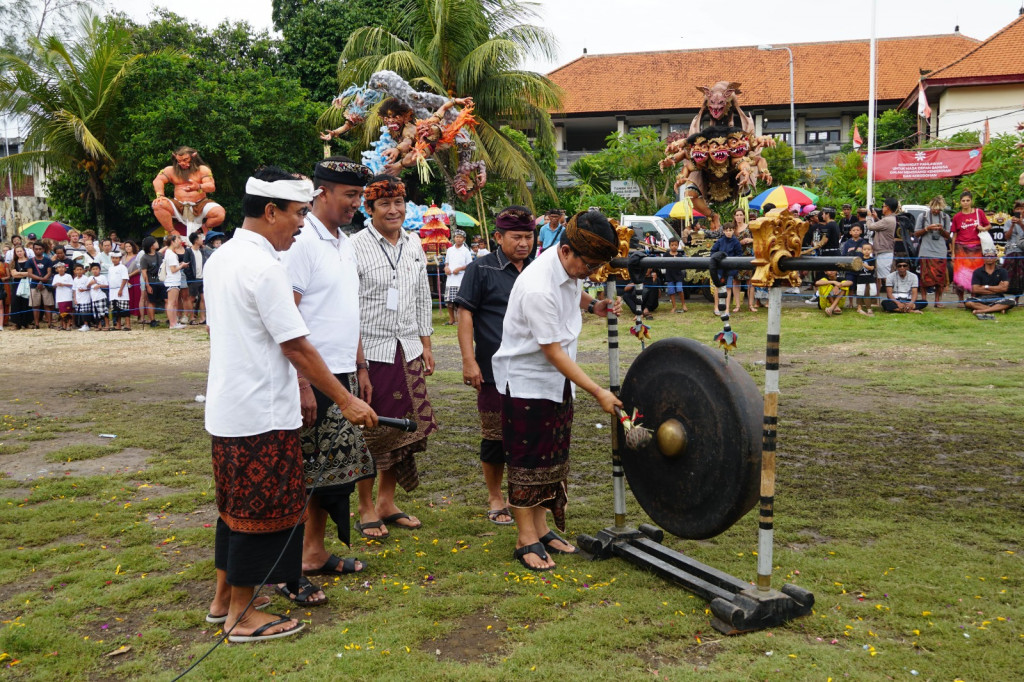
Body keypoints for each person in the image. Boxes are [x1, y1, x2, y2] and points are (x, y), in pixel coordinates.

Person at [203, 166, 376, 643]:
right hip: (261, 410)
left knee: (234, 511)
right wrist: (346, 400)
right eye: (298, 213)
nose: (302, 224)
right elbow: (297, 347)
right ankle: (243, 614)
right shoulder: (264, 267)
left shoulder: (220, 258)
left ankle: (223, 601)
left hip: (229, 408)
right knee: (265, 512)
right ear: (270, 210)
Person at [492, 210, 622, 571]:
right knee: (527, 461)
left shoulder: (564, 265)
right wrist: (598, 391)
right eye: (589, 264)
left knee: (551, 459)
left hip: (557, 383)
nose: (592, 273)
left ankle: (542, 527)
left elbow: (575, 289)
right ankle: (525, 537)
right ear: (566, 251)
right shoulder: (538, 286)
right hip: (527, 382)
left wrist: (595, 305)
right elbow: (551, 351)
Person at [277, 157, 377, 605]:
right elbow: (288, 316)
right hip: (309, 374)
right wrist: (300, 382)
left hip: (342, 371)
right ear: (322, 193)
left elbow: (347, 308)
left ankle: (315, 553)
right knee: (301, 473)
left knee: (328, 473)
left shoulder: (346, 241)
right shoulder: (302, 243)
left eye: (359, 196)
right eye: (349, 196)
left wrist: (360, 366)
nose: (357, 204)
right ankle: (291, 563)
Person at [350, 174, 438, 538]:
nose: (394, 210)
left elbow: (421, 296)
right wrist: (358, 362)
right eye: (384, 204)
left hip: (409, 350)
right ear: (367, 209)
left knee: (404, 430)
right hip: (373, 352)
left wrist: (426, 344)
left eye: (399, 202)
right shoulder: (353, 247)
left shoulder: (415, 242)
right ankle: (366, 506)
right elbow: (347, 308)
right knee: (373, 431)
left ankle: (387, 501)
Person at [456, 205, 536, 527]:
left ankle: (525, 493)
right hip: (491, 370)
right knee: (494, 436)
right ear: (498, 236)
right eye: (516, 237)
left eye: (529, 237)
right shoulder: (481, 268)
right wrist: (468, 360)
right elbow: (465, 314)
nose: (523, 243)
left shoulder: (538, 268)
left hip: (532, 366)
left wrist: (595, 305)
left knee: (528, 434)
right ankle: (495, 497)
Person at [152, 146, 226, 235]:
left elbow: (211, 187)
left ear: (193, 157)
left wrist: (198, 186)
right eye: (179, 161)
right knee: (158, 204)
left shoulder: (203, 169)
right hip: (178, 205)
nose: (182, 163)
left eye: (185, 160)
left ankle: (205, 227)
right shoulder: (170, 170)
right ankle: (172, 231)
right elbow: (158, 180)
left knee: (220, 213)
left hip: (200, 204)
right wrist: (160, 195)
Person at [950, 190, 990, 305]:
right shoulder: (957, 217)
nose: (966, 203)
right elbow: (954, 236)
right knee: (960, 275)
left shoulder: (979, 212)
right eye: (963, 201)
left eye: (968, 200)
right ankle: (961, 298)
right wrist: (953, 252)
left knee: (975, 273)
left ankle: (973, 297)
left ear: (971, 201)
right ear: (960, 202)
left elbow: (989, 225)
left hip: (977, 247)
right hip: (961, 248)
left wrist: (983, 228)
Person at [913, 196, 951, 308]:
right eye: (934, 208)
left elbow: (948, 235)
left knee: (940, 278)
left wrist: (941, 229)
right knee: (925, 277)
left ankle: (937, 300)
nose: (936, 211)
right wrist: (927, 228)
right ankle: (924, 300)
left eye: (938, 209)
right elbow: (916, 233)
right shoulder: (923, 216)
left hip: (940, 250)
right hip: (926, 250)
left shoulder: (945, 217)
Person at [965, 248, 1016, 319]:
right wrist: (998, 288)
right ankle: (998, 309)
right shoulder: (977, 272)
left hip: (998, 299)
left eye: (992, 256)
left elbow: (1004, 288)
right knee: (968, 302)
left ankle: (983, 310)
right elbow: (975, 289)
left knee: (1011, 301)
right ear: (983, 258)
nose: (989, 258)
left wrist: (986, 287)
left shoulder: (1002, 271)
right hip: (981, 299)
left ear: (996, 258)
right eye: (986, 256)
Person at [866, 198, 897, 296]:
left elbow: (871, 227)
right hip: (883, 250)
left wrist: (869, 217)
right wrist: (876, 218)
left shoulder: (888, 220)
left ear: (887, 208)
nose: (882, 208)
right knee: (880, 276)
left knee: (884, 277)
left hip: (884, 251)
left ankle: (891, 297)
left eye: (883, 206)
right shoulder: (889, 219)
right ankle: (879, 298)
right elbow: (882, 227)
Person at [442, 229, 473, 325]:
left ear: (464, 239)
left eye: (460, 237)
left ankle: (461, 319)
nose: (458, 239)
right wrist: (446, 268)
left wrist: (459, 269)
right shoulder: (450, 250)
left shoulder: (466, 251)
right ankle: (451, 319)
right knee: (448, 301)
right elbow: (447, 262)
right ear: (454, 238)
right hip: (450, 279)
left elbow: (470, 265)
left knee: (459, 301)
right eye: (456, 237)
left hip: (460, 278)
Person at [710, 223, 742, 314]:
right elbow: (713, 252)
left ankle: (727, 309)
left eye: (730, 230)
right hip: (719, 269)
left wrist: (734, 268)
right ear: (723, 231)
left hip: (730, 270)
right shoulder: (720, 241)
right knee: (718, 287)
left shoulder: (736, 242)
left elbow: (739, 255)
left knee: (728, 288)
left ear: (733, 230)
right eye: (726, 230)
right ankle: (716, 307)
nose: (728, 232)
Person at [182, 231, 211, 325]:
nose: (202, 240)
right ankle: (191, 318)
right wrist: (190, 278)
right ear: (195, 240)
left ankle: (202, 318)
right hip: (193, 279)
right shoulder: (189, 251)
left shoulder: (202, 251)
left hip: (202, 278)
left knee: (203, 298)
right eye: (199, 238)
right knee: (192, 298)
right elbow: (186, 266)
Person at [27, 242, 54, 329]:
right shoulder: (30, 261)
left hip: (46, 284)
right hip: (34, 285)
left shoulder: (48, 260)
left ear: (43, 249)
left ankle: (50, 323)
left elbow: (49, 272)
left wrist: (42, 281)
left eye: (40, 249)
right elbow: (30, 274)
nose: (38, 251)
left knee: (48, 304)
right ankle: (37, 324)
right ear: (33, 250)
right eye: (36, 249)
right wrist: (40, 280)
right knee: (35, 305)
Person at [139, 236, 165, 328]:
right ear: (151, 246)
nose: (157, 243)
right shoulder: (144, 258)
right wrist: (147, 285)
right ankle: (152, 320)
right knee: (151, 301)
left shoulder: (159, 255)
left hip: (161, 281)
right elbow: (144, 273)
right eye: (155, 242)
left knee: (166, 299)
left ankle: (169, 318)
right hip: (151, 282)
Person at [163, 234, 188, 329]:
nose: (179, 242)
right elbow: (173, 270)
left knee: (173, 303)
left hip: (173, 280)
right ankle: (172, 323)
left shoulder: (169, 253)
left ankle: (174, 322)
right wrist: (182, 266)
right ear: (172, 242)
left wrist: (179, 264)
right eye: (178, 240)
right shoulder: (171, 254)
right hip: (172, 281)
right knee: (172, 302)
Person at [1001, 200, 1024, 298]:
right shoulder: (1008, 222)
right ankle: (1010, 298)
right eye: (1017, 209)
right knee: (1010, 275)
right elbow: (1006, 237)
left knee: (1021, 276)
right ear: (1014, 210)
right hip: (1011, 250)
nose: (1019, 211)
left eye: (1021, 209)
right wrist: (1013, 225)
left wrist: (1021, 224)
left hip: (1022, 251)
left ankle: (1019, 297)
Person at [9, 246, 33, 329]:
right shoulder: (13, 262)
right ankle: (17, 323)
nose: (19, 253)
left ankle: (26, 322)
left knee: (26, 302)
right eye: (17, 251)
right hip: (17, 284)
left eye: (20, 251)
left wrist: (20, 273)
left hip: (27, 283)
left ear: (24, 251)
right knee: (16, 302)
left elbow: (31, 273)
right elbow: (14, 274)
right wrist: (25, 273)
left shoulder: (30, 261)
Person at [107, 251, 131, 331]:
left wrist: (121, 289)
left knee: (124, 309)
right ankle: (118, 325)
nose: (114, 260)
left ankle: (128, 325)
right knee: (115, 309)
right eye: (113, 258)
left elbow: (125, 278)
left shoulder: (122, 267)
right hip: (112, 291)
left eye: (116, 258)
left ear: (120, 259)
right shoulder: (110, 268)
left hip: (121, 290)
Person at [663, 237, 687, 313]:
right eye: (672, 245)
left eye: (676, 245)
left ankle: (683, 304)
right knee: (671, 292)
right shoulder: (666, 255)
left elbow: (682, 266)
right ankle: (674, 306)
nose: (674, 246)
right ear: (669, 246)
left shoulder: (680, 255)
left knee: (680, 289)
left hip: (678, 276)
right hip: (669, 276)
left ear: (678, 245)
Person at [121, 240, 142, 321]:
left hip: (135, 278)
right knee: (128, 296)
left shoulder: (137, 257)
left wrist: (130, 274)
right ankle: (128, 315)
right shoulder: (123, 258)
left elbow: (139, 268)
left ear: (133, 247)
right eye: (126, 247)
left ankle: (139, 315)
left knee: (137, 296)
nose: (128, 248)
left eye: (129, 246)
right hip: (126, 280)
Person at [854, 243, 877, 316]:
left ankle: (869, 308)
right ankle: (859, 307)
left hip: (869, 279)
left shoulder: (872, 259)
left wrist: (863, 264)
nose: (866, 251)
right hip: (861, 278)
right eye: (865, 249)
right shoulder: (859, 259)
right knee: (860, 293)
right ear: (862, 250)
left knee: (868, 293)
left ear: (871, 251)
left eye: (868, 249)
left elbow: (871, 268)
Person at [50, 261, 74, 330]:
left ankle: (69, 325)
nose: (61, 269)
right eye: (59, 268)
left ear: (65, 269)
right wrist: (56, 284)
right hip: (59, 296)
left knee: (67, 311)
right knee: (61, 311)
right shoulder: (56, 276)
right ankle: (63, 325)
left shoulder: (68, 276)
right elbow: (53, 286)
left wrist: (63, 284)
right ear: (56, 270)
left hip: (67, 296)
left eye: (62, 267)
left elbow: (72, 284)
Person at [86, 262, 110, 330]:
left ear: (99, 269)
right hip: (93, 297)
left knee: (104, 312)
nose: (95, 270)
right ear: (91, 270)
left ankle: (107, 325)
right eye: (93, 269)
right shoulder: (90, 278)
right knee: (96, 313)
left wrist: (99, 285)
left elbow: (106, 285)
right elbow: (87, 287)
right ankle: (99, 325)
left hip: (101, 296)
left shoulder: (102, 277)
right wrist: (90, 284)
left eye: (96, 269)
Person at [73, 263, 92, 331]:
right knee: (80, 312)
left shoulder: (86, 278)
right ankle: (82, 324)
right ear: (75, 271)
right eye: (77, 270)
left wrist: (84, 290)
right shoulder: (75, 279)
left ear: (83, 270)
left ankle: (86, 325)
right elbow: (74, 290)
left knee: (85, 312)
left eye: (81, 269)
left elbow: (89, 288)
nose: (79, 271)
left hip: (85, 298)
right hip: (78, 298)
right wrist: (75, 299)